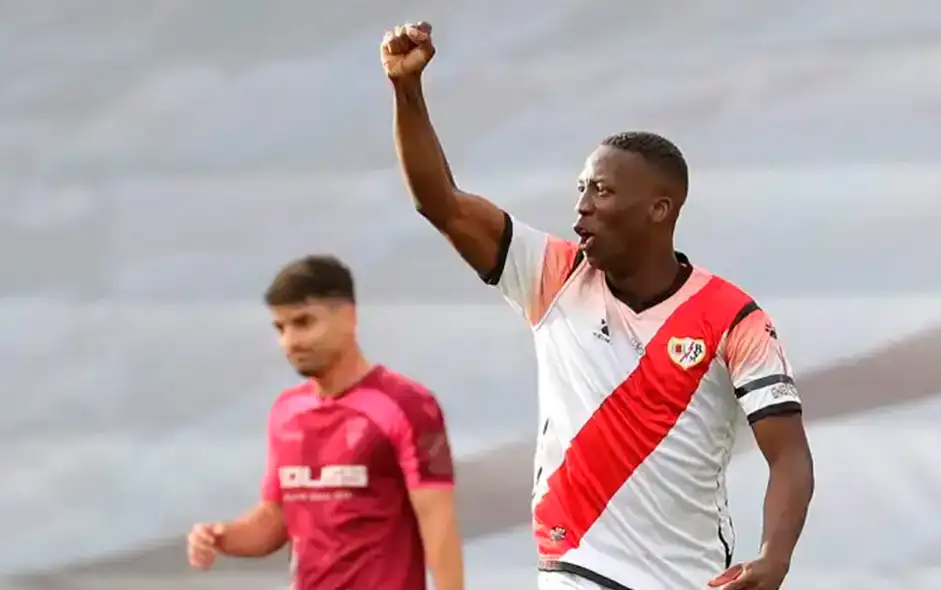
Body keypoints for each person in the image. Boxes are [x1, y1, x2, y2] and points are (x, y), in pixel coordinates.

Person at [382, 21, 815, 590]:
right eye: (580, 189)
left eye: (602, 191)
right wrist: (407, 90)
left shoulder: (734, 318)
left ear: (659, 209)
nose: (581, 208)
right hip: (576, 569)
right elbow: (439, 201)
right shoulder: (554, 276)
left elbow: (789, 457)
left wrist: (774, 556)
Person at [185, 255, 464, 590]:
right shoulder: (286, 410)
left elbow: (438, 524)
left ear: (348, 318)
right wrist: (222, 537)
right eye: (280, 327)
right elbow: (275, 518)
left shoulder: (409, 405)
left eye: (303, 322)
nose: (289, 341)